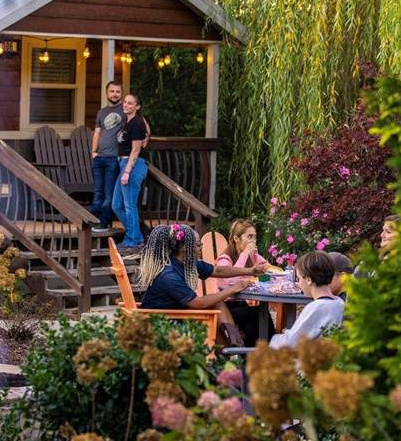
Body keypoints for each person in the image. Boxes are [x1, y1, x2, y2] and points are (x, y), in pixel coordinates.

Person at [139, 224, 268, 346]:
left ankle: (233, 349)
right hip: (163, 323)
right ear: (185, 247)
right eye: (198, 245)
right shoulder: (168, 275)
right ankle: (235, 349)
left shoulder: (187, 264)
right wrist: (234, 288)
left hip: (176, 314)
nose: (201, 248)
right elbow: (200, 304)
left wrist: (250, 271)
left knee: (217, 309)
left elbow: (218, 270)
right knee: (216, 312)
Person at [215, 218, 275, 345]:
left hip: (244, 305)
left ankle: (247, 363)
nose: (253, 241)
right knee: (261, 312)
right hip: (227, 309)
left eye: (254, 237)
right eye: (249, 237)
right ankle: (273, 350)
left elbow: (271, 270)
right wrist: (246, 254)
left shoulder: (253, 257)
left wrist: (267, 269)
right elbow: (232, 280)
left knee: (252, 328)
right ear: (236, 238)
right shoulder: (225, 259)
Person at [269, 250, 345, 349]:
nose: (299, 284)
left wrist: (273, 341)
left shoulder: (318, 307)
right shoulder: (339, 303)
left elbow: (290, 343)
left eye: (299, 279)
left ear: (309, 280)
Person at [111, 93, 148, 252]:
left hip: (133, 165)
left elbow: (136, 150)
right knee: (116, 205)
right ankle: (138, 237)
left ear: (137, 107)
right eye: (125, 102)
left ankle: (132, 241)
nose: (126, 105)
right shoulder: (127, 122)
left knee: (129, 205)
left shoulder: (137, 123)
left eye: (130, 103)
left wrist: (127, 172)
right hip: (124, 164)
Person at [90, 81, 124, 233]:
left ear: (121, 93)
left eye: (117, 91)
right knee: (98, 191)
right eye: (112, 91)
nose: (115, 94)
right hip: (99, 157)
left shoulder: (125, 109)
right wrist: (93, 151)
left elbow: (142, 123)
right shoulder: (101, 112)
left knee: (108, 191)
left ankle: (103, 222)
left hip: (114, 158)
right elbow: (97, 133)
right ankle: (94, 220)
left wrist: (146, 137)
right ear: (106, 93)